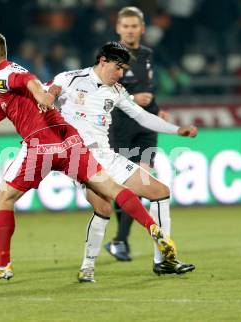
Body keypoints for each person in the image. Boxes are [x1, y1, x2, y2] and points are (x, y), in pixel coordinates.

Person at [0, 31, 179, 284]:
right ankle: (152, 228)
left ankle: (2, 263)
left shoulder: (0, 75)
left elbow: (25, 79)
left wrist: (41, 93)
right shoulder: (6, 85)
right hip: (71, 140)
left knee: (4, 197)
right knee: (111, 188)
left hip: (41, 144)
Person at [48, 41, 197, 283]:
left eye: (123, 69)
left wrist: (177, 130)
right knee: (104, 207)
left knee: (160, 192)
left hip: (107, 156)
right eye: (117, 68)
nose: (121, 74)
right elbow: (42, 97)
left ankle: (163, 260)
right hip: (79, 158)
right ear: (103, 60)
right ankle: (88, 266)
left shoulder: (116, 91)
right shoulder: (69, 79)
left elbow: (143, 117)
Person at [106, 6, 168, 262]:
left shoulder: (148, 54)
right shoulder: (109, 57)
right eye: (126, 26)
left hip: (146, 129)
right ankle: (120, 240)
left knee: (142, 182)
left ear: (142, 28)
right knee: (126, 186)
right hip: (120, 127)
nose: (130, 30)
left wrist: (157, 109)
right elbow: (101, 91)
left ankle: (119, 240)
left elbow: (148, 89)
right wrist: (132, 98)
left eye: (134, 26)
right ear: (118, 29)